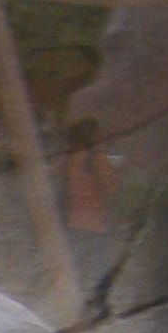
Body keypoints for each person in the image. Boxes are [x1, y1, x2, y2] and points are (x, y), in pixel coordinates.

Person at [61, 114, 121, 302]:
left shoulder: (71, 158)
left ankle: (79, 301)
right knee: (100, 266)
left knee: (81, 265)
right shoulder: (97, 158)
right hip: (95, 222)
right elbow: (110, 187)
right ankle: (98, 303)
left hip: (74, 221)